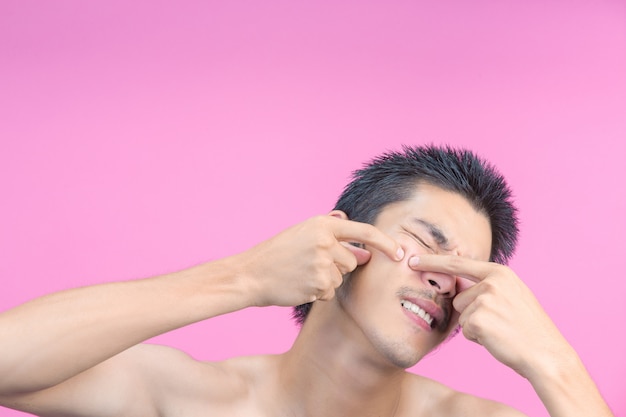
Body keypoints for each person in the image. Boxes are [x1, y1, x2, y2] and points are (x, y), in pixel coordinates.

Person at [0, 145, 613, 417]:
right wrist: (242, 278)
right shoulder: (191, 399)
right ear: (343, 240)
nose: (445, 280)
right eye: (429, 242)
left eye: (469, 272)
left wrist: (553, 363)